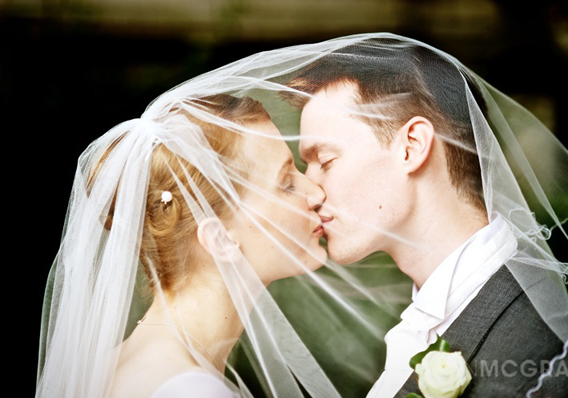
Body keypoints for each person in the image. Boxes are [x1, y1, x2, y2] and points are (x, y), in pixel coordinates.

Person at [281, 36, 568, 397]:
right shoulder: (430, 318)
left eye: (325, 161)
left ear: (412, 146)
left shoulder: (544, 351)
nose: (311, 190)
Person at [36, 92, 340, 397]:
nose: (316, 193)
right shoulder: (192, 389)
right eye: (286, 183)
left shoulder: (110, 366)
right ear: (220, 239)